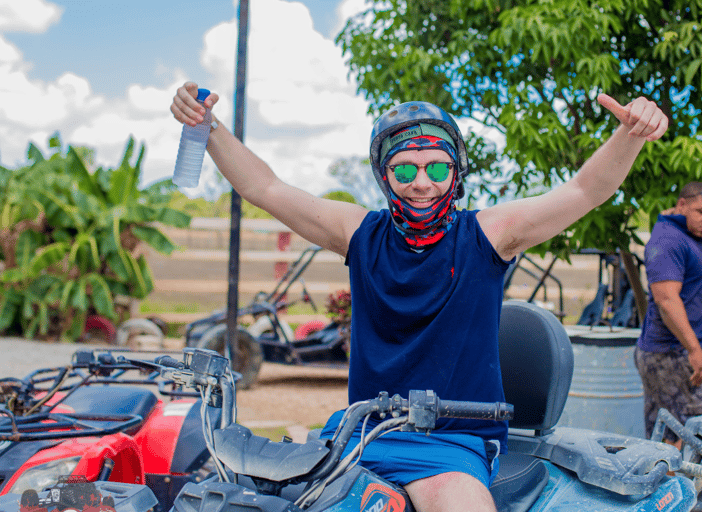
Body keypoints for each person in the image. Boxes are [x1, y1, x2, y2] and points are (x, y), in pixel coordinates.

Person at [171, 83, 668, 512]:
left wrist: (631, 134)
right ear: (383, 175)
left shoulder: (488, 235)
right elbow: (266, 187)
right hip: (361, 436)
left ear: (457, 171)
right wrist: (208, 125)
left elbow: (584, 191)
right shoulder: (359, 233)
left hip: (453, 440)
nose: (423, 184)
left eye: (436, 167)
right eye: (405, 171)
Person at [635, 182, 702, 448]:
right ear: (682, 205)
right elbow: (666, 301)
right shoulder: (668, 239)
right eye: (700, 212)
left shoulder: (689, 234)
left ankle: (665, 487)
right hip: (672, 353)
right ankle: (693, 489)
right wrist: (694, 351)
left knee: (667, 435)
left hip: (669, 352)